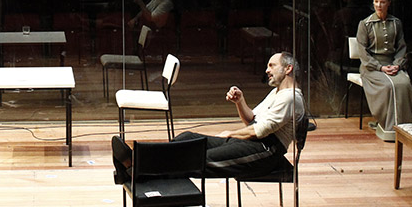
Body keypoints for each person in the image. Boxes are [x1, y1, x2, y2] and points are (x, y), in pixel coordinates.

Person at [112, 52, 304, 180]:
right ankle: (139, 159)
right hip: (252, 140)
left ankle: (136, 170)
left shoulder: (291, 98)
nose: (267, 70)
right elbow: (252, 120)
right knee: (189, 138)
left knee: (199, 158)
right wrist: (240, 101)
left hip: (266, 151)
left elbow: (261, 131)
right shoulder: (278, 92)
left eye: (271, 66)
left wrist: (229, 134)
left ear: (287, 69)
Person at [356, 0, 412, 141]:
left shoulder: (396, 23)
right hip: (371, 67)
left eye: (382, 2)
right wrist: (379, 67)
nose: (379, 5)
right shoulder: (365, 24)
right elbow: (362, 52)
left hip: (392, 64)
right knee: (388, 86)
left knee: (404, 84)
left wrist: (397, 64)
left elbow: (401, 47)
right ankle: (386, 126)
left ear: (389, 3)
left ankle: (406, 128)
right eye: (376, 2)